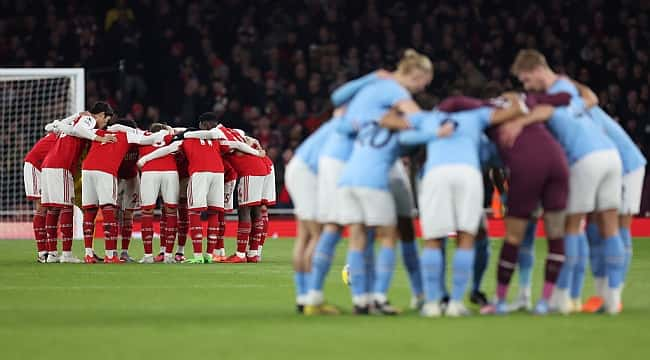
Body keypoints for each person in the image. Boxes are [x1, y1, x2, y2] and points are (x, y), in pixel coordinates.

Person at [504, 49, 625, 314]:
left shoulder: (550, 97)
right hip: (610, 156)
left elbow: (545, 111)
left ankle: (564, 296)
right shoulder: (569, 90)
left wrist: (520, 122)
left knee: (572, 227)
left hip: (585, 159)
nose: (526, 85)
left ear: (537, 70)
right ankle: (613, 299)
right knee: (610, 227)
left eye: (526, 80)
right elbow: (591, 97)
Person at [398, 92, 525, 317]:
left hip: (435, 173)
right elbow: (517, 111)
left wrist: (432, 132)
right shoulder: (476, 116)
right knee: (466, 237)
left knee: (433, 239)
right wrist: (509, 99)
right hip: (468, 173)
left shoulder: (428, 117)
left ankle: (432, 304)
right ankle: (457, 303)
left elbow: (403, 137)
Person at [336, 49, 434, 315]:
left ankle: (362, 298)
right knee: (393, 233)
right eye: (424, 81)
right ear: (417, 74)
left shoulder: (367, 101)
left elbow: (341, 115)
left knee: (360, 234)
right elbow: (418, 123)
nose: (422, 88)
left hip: (351, 171)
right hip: (377, 172)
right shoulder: (394, 94)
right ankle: (380, 296)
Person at [138, 113, 228, 264]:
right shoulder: (216, 138)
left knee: (194, 212)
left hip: (199, 173)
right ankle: (209, 255)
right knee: (214, 212)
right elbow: (233, 145)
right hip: (219, 173)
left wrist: (145, 158)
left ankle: (198, 255)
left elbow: (166, 150)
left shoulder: (185, 139)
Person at [582, 106, 646, 312]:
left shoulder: (588, 112)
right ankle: (601, 293)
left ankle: (614, 292)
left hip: (627, 167)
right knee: (593, 223)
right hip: (606, 167)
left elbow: (599, 142)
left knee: (619, 225)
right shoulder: (577, 109)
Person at [40, 102, 117, 263]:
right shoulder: (89, 120)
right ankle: (66, 255)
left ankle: (53, 254)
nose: (105, 124)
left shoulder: (77, 121)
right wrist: (100, 137)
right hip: (61, 165)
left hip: (48, 165)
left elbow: (50, 127)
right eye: (106, 120)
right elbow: (80, 130)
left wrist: (74, 117)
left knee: (53, 209)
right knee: (67, 207)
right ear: (101, 115)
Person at [285, 118, 337, 313]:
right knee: (318, 235)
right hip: (308, 173)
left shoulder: (336, 122)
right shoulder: (352, 124)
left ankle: (303, 297)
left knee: (305, 236)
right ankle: (312, 299)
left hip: (299, 168)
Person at [137, 123, 178, 263]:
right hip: (170, 171)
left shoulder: (142, 135)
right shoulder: (170, 136)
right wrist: (171, 130)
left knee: (147, 212)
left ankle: (148, 256)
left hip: (149, 172)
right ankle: (168, 256)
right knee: (171, 211)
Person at [23, 131, 58, 263]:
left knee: (50, 206)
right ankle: (42, 252)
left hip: (46, 168)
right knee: (42, 207)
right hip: (35, 167)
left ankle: (49, 251)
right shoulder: (64, 134)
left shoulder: (61, 133)